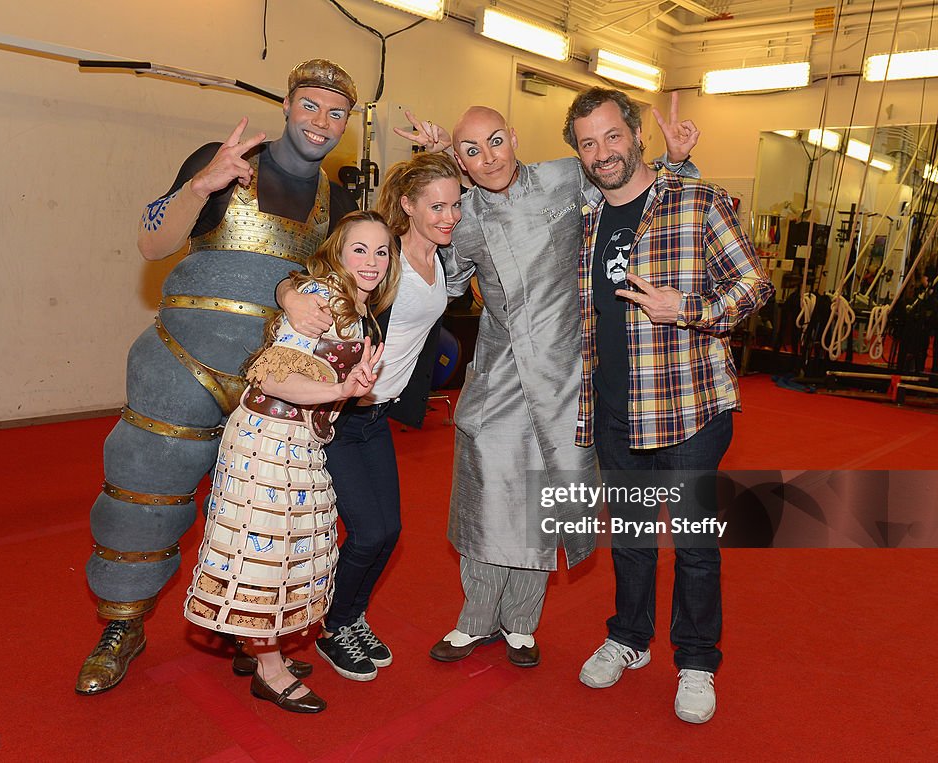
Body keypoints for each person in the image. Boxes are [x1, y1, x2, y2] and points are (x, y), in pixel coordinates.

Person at [76, 59, 360, 695]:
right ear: (287, 106)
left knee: (264, 519)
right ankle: (120, 624)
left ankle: (253, 637)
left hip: (273, 385)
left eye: (335, 112)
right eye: (310, 105)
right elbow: (152, 244)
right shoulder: (225, 160)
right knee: (140, 496)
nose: (321, 121)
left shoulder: (340, 202)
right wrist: (200, 186)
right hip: (183, 362)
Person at [395, 98, 699, 669]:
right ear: (458, 159)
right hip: (500, 374)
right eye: (470, 150)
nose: (487, 158)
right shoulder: (461, 217)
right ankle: (475, 618)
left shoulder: (564, 178)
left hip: (567, 376)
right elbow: (445, 283)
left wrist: (677, 164)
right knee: (488, 498)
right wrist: (428, 187)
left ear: (513, 137)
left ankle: (522, 625)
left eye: (494, 142)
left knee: (545, 500)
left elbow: (633, 197)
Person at [566, 87, 773, 723]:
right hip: (613, 408)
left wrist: (686, 309)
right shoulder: (588, 218)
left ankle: (696, 660)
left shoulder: (699, 201)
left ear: (635, 134)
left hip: (691, 409)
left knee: (693, 545)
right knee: (628, 538)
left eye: (611, 136)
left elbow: (754, 284)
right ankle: (628, 638)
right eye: (588, 144)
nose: (602, 152)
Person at [183, 210, 396, 713]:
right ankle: (269, 669)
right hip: (267, 441)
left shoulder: (356, 307)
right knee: (265, 556)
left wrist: (346, 393)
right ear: (338, 253)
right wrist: (343, 388)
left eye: (382, 251)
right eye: (359, 249)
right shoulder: (321, 300)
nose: (371, 261)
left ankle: (255, 646)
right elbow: (271, 377)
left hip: (299, 442)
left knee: (287, 550)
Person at [277, 152, 464, 680]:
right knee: (364, 531)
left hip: (377, 416)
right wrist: (288, 293)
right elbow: (316, 274)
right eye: (436, 206)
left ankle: (348, 617)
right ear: (407, 205)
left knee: (388, 532)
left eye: (454, 205)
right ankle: (335, 626)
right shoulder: (386, 257)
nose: (448, 216)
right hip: (339, 417)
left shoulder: (442, 258)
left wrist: (446, 146)